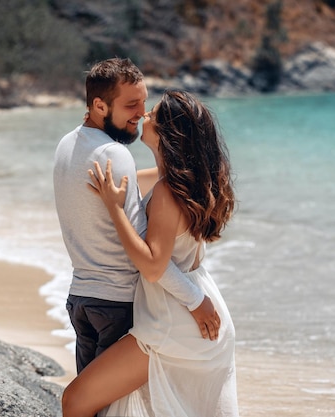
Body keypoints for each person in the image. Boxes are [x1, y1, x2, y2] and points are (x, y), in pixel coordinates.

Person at [61, 90, 239, 417]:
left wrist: (116, 211)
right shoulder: (185, 181)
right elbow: (126, 182)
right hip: (190, 313)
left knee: (75, 401)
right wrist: (92, 130)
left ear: (170, 133)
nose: (145, 117)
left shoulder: (169, 191)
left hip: (173, 321)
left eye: (153, 114)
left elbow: (154, 267)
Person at [53, 58, 219, 375]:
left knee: (95, 403)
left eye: (144, 103)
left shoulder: (68, 145)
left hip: (82, 300)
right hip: (118, 304)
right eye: (132, 105)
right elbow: (149, 258)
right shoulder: (116, 155)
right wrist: (196, 300)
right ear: (100, 106)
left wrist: (183, 173)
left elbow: (127, 183)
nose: (142, 114)